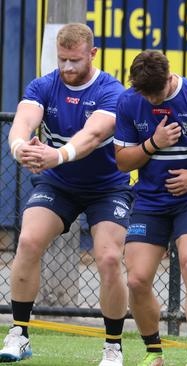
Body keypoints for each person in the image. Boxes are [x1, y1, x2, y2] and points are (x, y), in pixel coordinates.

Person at [2, 23, 131, 365]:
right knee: (28, 241)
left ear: (92, 54)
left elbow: (92, 135)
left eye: (75, 60)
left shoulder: (111, 91)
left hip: (108, 187)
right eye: (62, 60)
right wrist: (20, 150)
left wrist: (55, 156)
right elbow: (22, 124)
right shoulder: (44, 85)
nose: (67, 68)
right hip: (58, 184)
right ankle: (19, 334)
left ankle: (113, 347)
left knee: (107, 258)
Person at [113, 50, 187, 366]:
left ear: (169, 78)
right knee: (137, 280)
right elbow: (123, 162)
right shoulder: (128, 102)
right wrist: (153, 143)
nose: (152, 100)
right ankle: (154, 352)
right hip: (150, 201)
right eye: (145, 94)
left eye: (157, 92)